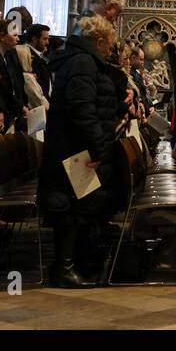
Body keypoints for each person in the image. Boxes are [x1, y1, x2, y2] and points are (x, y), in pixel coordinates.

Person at [39, 15, 121, 288]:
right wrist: (98, 147)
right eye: (109, 46)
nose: (110, 51)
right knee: (71, 210)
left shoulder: (79, 60)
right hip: (75, 149)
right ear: (98, 42)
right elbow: (82, 109)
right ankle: (64, 268)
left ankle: (72, 264)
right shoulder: (83, 63)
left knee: (78, 208)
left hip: (75, 147)